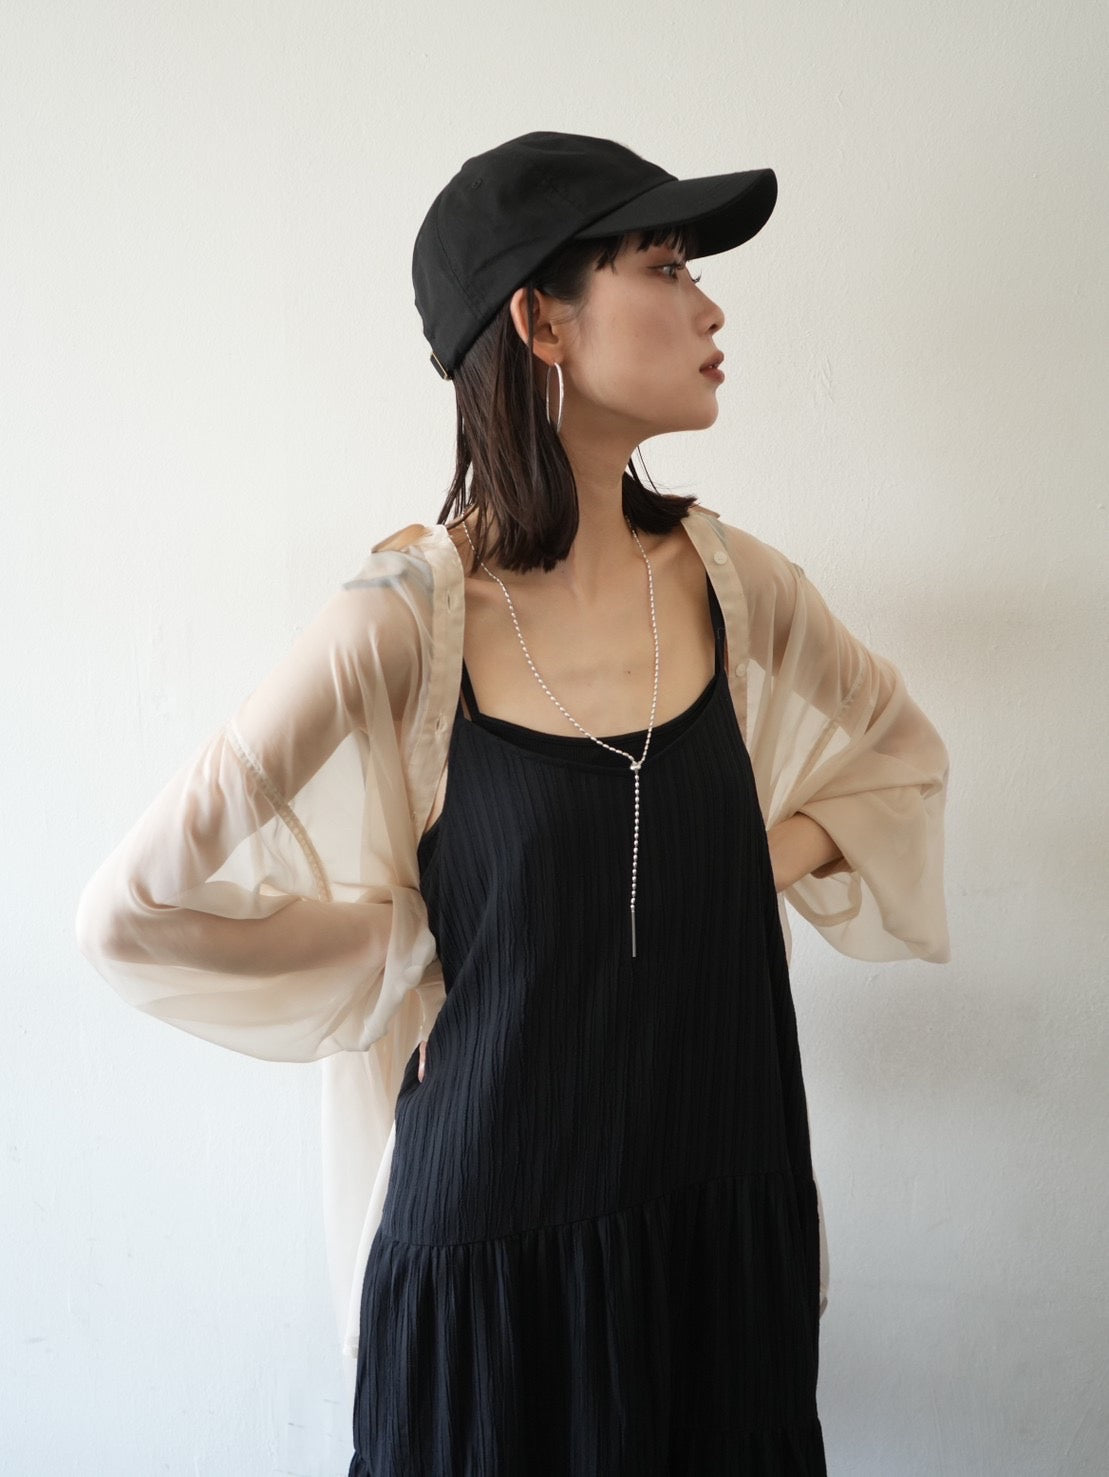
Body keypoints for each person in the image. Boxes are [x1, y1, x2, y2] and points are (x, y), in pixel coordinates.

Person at [75, 131, 951, 1475]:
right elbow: (128, 913)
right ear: (541, 320)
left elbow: (898, 755)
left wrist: (743, 859)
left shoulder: (735, 586)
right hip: (493, 1273)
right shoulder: (403, 621)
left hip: (719, 1236)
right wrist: (405, 942)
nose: (711, 308)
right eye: (665, 267)